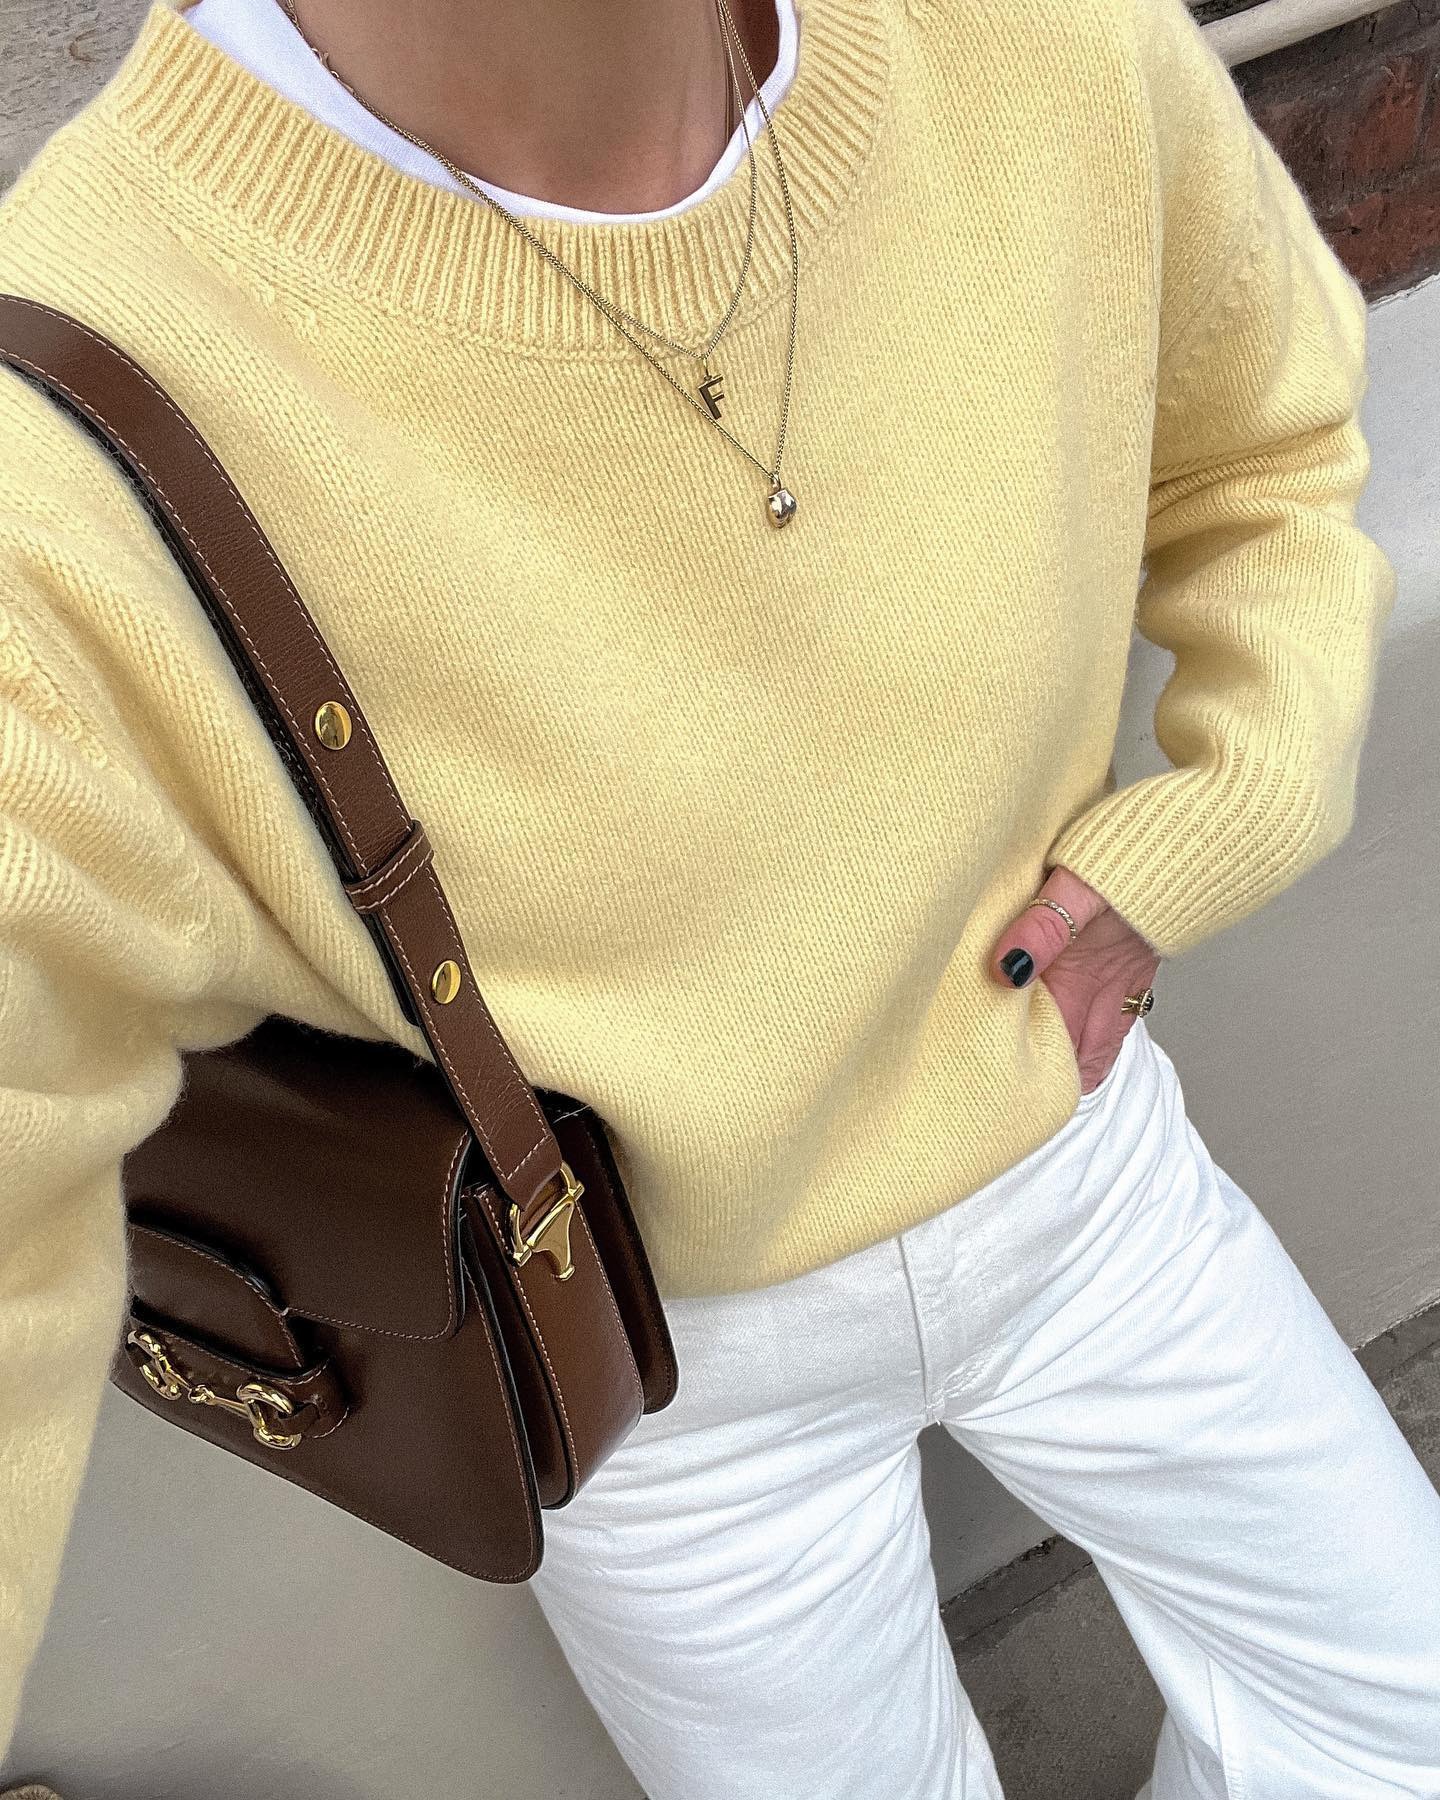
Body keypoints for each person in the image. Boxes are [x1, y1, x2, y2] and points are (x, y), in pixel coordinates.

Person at [0, 0, 1435, 1794]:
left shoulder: (1035, 37)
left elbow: (1263, 457)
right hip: (649, 1369)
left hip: (1078, 1163)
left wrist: (1238, 797)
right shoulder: (63, 410)